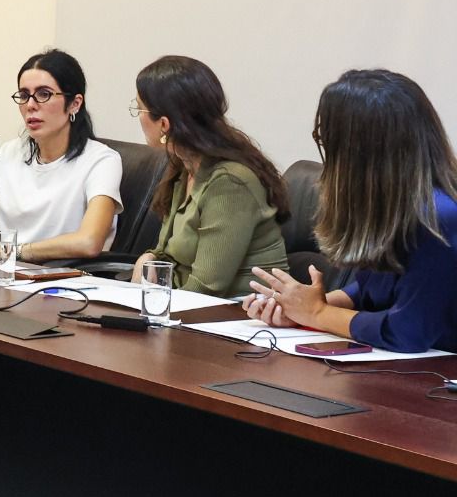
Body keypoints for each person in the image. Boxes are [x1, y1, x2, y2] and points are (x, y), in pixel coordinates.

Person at [246, 69, 457, 353]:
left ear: (359, 154)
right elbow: (373, 287)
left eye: (328, 142)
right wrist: (300, 306)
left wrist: (317, 314)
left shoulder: (438, 216)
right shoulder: (392, 206)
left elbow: (407, 332)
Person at [0, 49, 122, 262]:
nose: (30, 105)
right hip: (6, 276)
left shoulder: (102, 161)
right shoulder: (10, 154)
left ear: (75, 104)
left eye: (44, 94)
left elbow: (89, 242)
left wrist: (11, 252)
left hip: (69, 282)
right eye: (24, 95)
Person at [127, 56, 288, 297]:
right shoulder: (184, 168)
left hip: (238, 319)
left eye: (139, 108)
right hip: (190, 310)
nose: (137, 116)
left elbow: (206, 289)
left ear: (164, 124)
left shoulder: (229, 182)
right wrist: (149, 257)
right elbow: (167, 253)